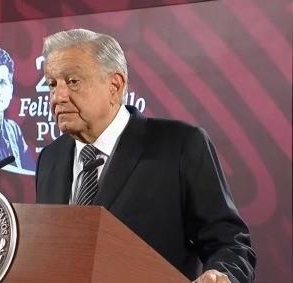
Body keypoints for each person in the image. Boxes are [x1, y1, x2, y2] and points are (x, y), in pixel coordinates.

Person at [36, 29, 256, 282]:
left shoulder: (181, 145)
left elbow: (230, 243)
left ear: (114, 86)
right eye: (52, 84)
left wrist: (223, 275)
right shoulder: (51, 158)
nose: (57, 97)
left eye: (72, 81)